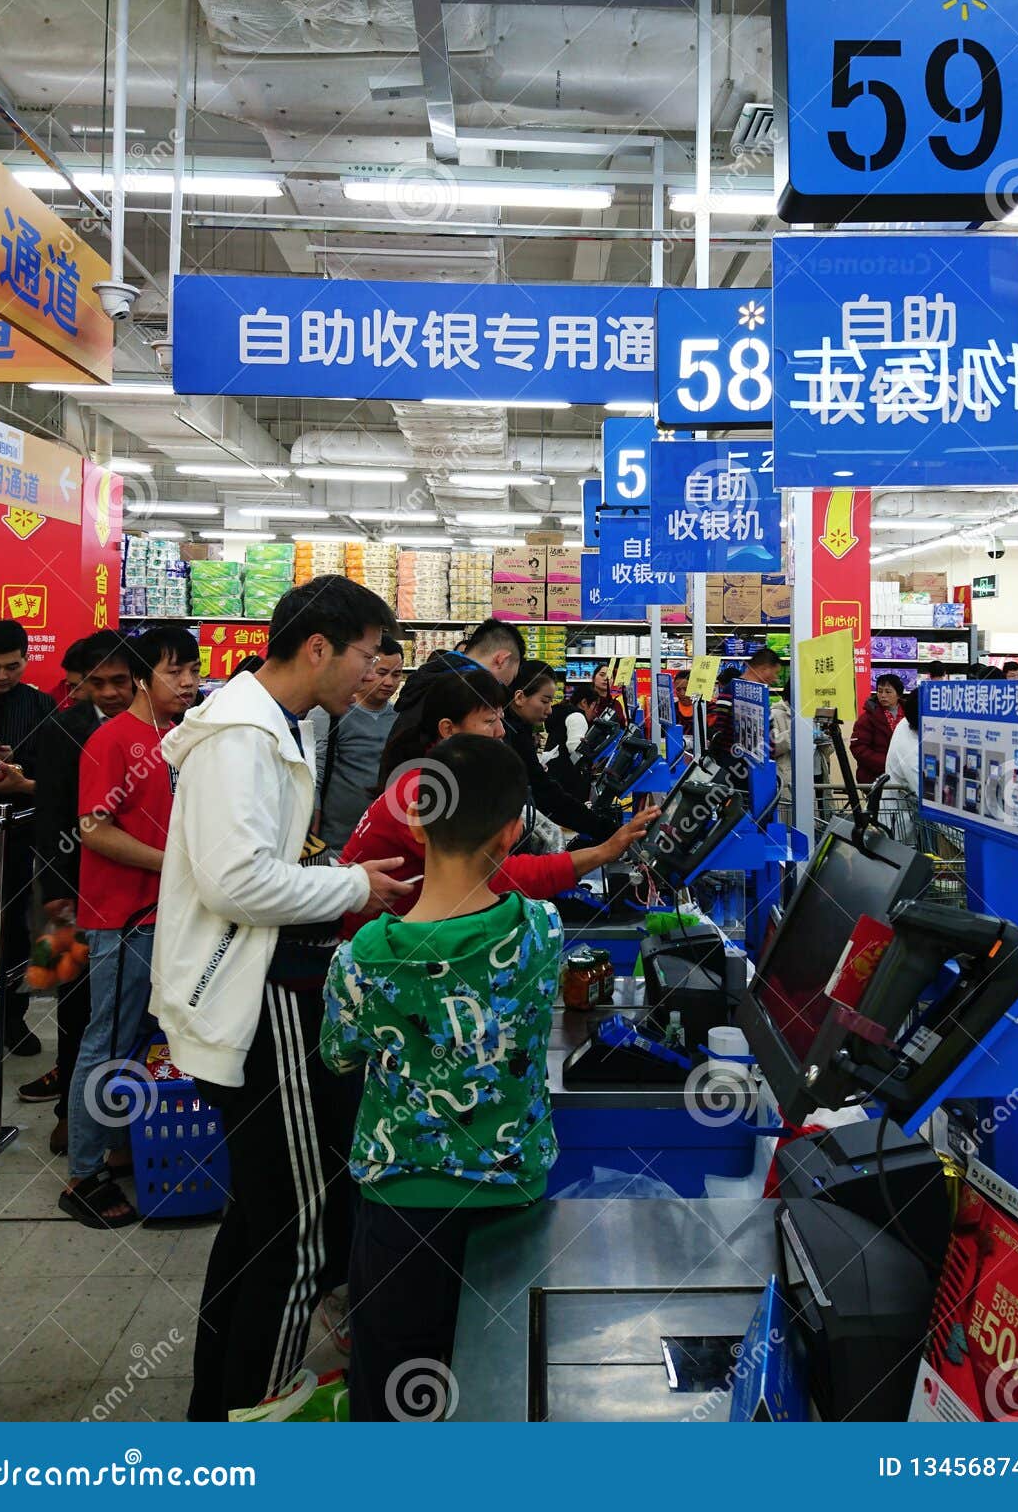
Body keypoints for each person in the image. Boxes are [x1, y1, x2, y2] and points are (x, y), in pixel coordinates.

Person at [150, 575, 412, 1422]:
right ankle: (254, 1421)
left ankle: (214, 1409)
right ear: (319, 648)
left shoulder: (272, 728)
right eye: (370, 656)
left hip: (258, 992)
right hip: (256, 1007)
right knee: (302, 1226)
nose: (374, 676)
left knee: (257, 1219)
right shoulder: (243, 738)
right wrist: (348, 887)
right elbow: (236, 880)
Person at [322, 735, 564, 1421]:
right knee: (501, 1392)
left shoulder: (366, 955)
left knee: (397, 1393)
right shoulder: (541, 929)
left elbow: (338, 1053)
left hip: (403, 1207)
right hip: (513, 1199)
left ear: (420, 821)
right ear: (515, 829)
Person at [59, 626, 201, 1229]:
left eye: (193, 669)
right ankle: (83, 1173)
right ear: (145, 678)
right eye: (177, 671)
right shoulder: (113, 740)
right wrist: (175, 866)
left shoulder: (177, 738)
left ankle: (120, 1145)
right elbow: (93, 828)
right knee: (107, 1042)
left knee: (145, 1042)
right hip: (123, 918)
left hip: (167, 917)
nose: (190, 682)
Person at [342, 668, 657, 924]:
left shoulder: (438, 778)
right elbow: (492, 876)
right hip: (374, 955)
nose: (501, 732)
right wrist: (603, 852)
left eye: (500, 720)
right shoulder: (424, 791)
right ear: (448, 729)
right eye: (490, 722)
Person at [26, 630, 136, 1152]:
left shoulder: (154, 728)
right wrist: (52, 889)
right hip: (71, 888)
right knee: (72, 999)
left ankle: (121, 1118)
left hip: (132, 890)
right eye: (100, 682)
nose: (112, 692)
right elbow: (48, 814)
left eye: (121, 680)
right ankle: (69, 1110)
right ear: (82, 685)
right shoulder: (61, 730)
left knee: (122, 1008)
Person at [0, 617, 57, 1054]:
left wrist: (19, 776)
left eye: (12, 667)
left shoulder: (42, 707)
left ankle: (11, 1022)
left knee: (15, 928)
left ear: (26, 660)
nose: (2, 676)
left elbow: (57, 777)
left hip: (19, 828)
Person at [377, 617, 523, 787]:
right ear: (502, 659)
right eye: (490, 720)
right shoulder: (458, 690)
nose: (501, 732)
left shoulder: (432, 679)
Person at [311, 635, 404, 851]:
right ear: (366, 669)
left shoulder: (400, 719)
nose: (389, 682)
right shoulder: (330, 713)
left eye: (396, 674)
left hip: (384, 840)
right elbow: (315, 775)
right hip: (335, 842)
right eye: (382, 673)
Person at [505, 660, 615, 841]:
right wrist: (604, 830)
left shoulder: (519, 729)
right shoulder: (513, 733)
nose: (549, 711)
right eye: (544, 701)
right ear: (519, 697)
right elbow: (546, 794)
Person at [707, 647, 783, 766]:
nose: (776, 678)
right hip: (736, 766)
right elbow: (719, 729)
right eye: (775, 672)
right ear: (765, 669)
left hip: (754, 764)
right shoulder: (733, 690)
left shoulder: (758, 693)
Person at [541, 680, 599, 796]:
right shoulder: (578, 716)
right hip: (566, 781)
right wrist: (592, 762)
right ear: (584, 702)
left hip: (552, 773)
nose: (596, 712)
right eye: (595, 705)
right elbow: (576, 748)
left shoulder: (562, 711)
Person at [851, 673, 906, 784]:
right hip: (875, 777)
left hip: (905, 775)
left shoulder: (910, 715)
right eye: (880, 691)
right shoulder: (867, 717)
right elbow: (859, 748)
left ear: (898, 694)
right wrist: (887, 763)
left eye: (888, 691)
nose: (883, 695)